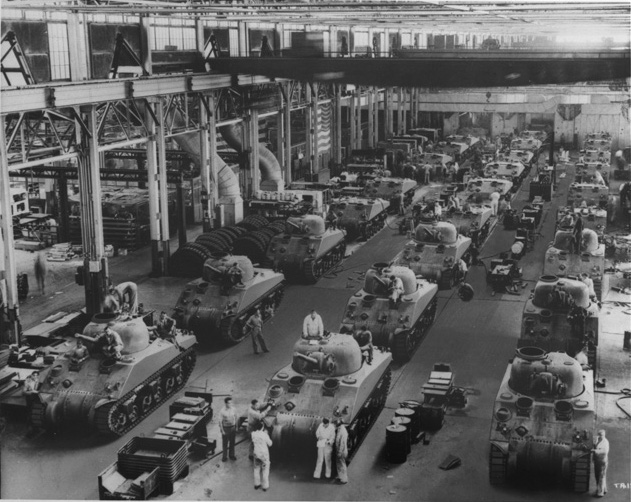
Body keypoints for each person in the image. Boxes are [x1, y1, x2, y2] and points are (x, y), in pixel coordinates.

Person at [251, 421, 272, 491]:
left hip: (256, 454)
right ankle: (265, 486)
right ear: (262, 427)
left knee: (256, 469)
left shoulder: (253, 434)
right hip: (264, 455)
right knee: (265, 470)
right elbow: (270, 444)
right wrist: (266, 434)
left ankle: (257, 484)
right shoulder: (264, 435)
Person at [219, 396, 238, 461]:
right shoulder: (222, 411)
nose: (231, 404)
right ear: (226, 403)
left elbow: (236, 418)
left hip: (232, 428)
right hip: (226, 428)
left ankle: (231, 455)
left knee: (232, 443)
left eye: (231, 403)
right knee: (225, 443)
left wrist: (236, 427)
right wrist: (222, 430)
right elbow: (220, 422)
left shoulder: (234, 409)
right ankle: (224, 457)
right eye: (229, 403)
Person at [592, 429, 609, 497]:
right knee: (600, 476)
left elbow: (605, 452)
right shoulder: (598, 439)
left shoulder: (605, 442)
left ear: (604, 435)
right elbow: (595, 444)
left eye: (601, 435)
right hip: (597, 460)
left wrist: (595, 451)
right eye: (599, 435)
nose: (600, 436)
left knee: (600, 476)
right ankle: (604, 489)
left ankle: (600, 492)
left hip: (602, 461)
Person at [334, 419, 349, 484]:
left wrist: (339, 452)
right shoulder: (340, 429)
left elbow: (342, 443)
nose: (335, 425)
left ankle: (344, 479)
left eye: (336, 424)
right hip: (339, 450)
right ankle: (340, 476)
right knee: (338, 463)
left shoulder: (342, 431)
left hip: (342, 451)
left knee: (342, 464)